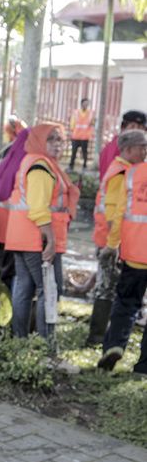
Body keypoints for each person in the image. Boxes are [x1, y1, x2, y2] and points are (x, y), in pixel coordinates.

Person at [4, 123, 79, 340]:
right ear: (39, 140)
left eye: (60, 139)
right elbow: (38, 208)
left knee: (24, 288)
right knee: (50, 290)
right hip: (37, 239)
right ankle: (47, 347)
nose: (57, 144)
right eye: (51, 139)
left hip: (22, 237)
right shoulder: (40, 167)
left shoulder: (36, 162)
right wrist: (51, 240)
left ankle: (20, 342)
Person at [87, 130, 147, 346]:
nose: (144, 151)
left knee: (114, 290)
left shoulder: (129, 171)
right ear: (128, 149)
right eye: (141, 147)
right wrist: (114, 245)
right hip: (111, 241)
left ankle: (106, 340)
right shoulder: (122, 173)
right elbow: (114, 215)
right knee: (107, 288)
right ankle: (97, 337)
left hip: (119, 242)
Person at [0, 127, 30, 288]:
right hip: (13, 227)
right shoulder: (26, 164)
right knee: (12, 272)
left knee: (4, 267)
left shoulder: (6, 162)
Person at [98, 110, 147, 181]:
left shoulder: (126, 147)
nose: (137, 132)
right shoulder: (118, 148)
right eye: (133, 127)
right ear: (123, 127)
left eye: (141, 129)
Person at [69, 98, 94, 172]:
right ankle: (71, 166)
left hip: (84, 137)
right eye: (85, 103)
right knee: (73, 152)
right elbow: (72, 123)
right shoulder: (76, 112)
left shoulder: (90, 113)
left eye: (87, 103)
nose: (86, 105)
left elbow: (92, 123)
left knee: (84, 152)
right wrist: (72, 131)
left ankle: (84, 166)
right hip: (76, 136)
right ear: (81, 104)